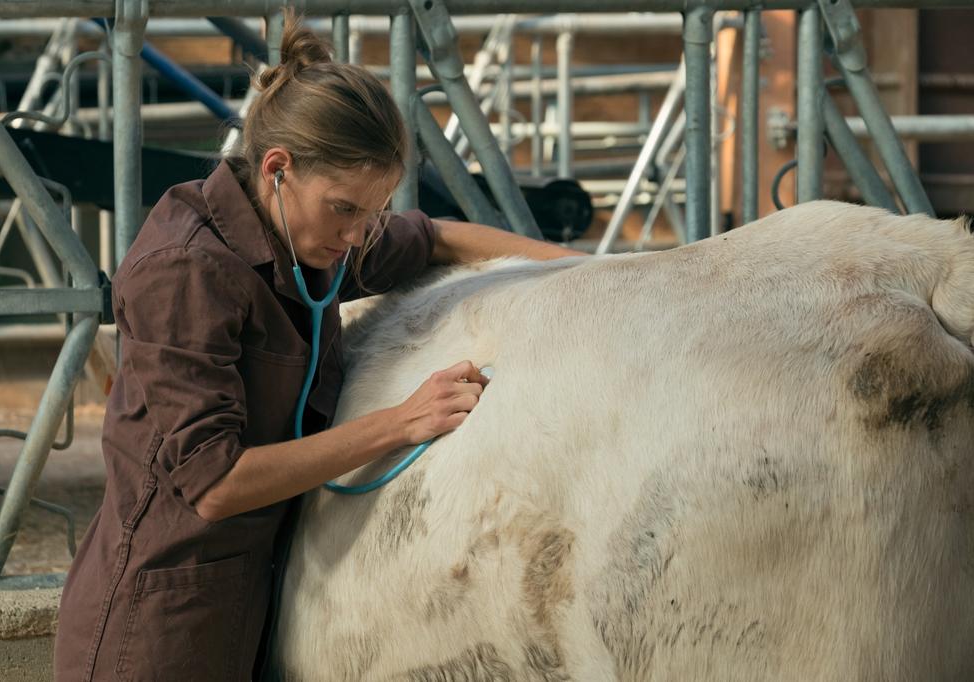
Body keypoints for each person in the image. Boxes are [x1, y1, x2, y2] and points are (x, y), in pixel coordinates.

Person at [54, 13, 581, 681]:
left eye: (372, 211)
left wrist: (589, 271)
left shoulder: (305, 234)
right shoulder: (186, 270)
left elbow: (436, 239)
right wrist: (402, 421)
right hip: (158, 623)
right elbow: (214, 483)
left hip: (245, 599)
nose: (359, 234)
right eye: (345, 209)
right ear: (277, 168)